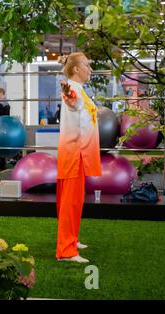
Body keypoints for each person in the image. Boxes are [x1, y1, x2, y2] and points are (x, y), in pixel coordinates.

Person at [56, 52, 101, 263]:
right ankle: (66, 250)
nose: (90, 69)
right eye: (86, 65)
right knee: (70, 202)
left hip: (79, 153)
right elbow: (71, 101)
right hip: (74, 152)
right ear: (76, 69)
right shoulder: (72, 89)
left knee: (76, 201)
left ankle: (71, 239)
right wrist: (68, 94)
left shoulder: (80, 90)